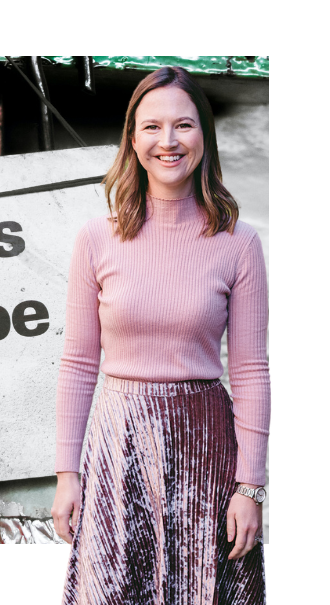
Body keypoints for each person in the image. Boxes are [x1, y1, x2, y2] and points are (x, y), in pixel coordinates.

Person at [50, 66, 269, 604]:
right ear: (132, 138)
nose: (167, 142)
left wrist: (251, 487)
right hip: (117, 448)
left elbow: (250, 370)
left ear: (204, 137)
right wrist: (66, 472)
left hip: (206, 452)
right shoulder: (96, 238)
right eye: (152, 127)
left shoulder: (239, 244)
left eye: (184, 126)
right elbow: (79, 363)